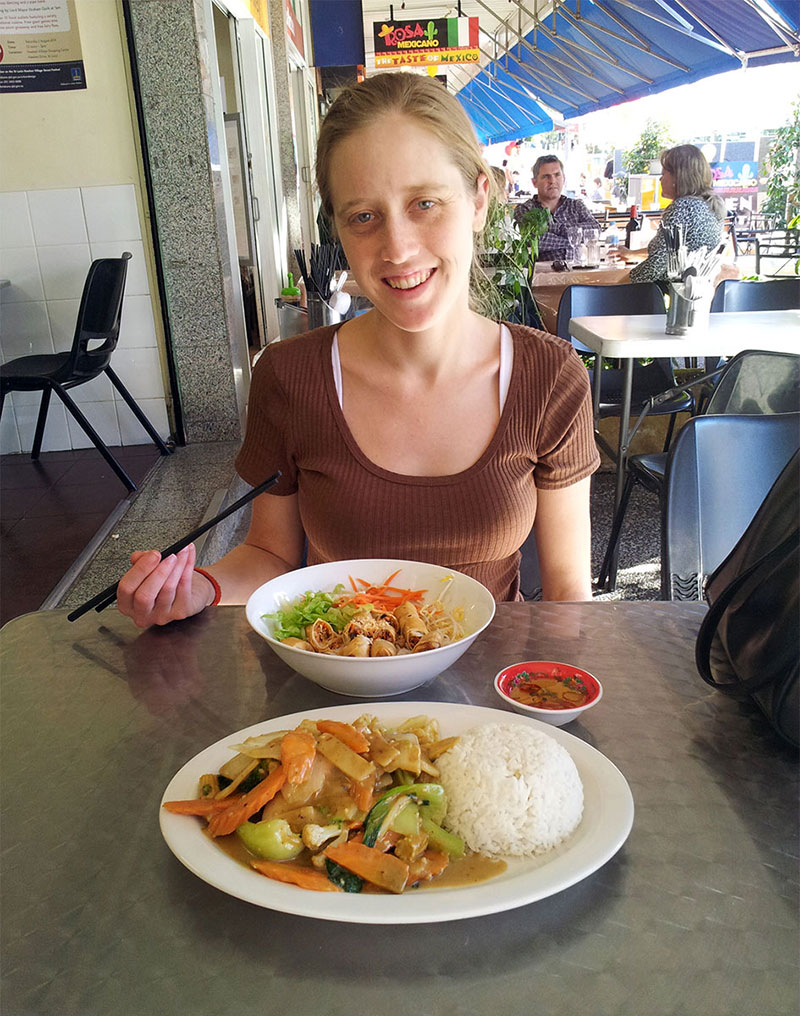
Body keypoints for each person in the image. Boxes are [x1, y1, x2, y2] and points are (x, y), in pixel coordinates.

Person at [116, 74, 599, 628]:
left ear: (478, 199)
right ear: (338, 230)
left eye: (424, 203)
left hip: (487, 695)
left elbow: (567, 596)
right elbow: (271, 556)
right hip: (333, 694)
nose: (397, 248)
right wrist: (198, 587)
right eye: (363, 216)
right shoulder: (289, 376)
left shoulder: (550, 376)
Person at [626, 145, 725, 283]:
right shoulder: (711, 204)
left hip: (672, 295)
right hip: (698, 294)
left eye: (664, 174)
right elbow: (671, 250)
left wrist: (617, 284)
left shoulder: (682, 208)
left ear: (678, 177)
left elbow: (656, 266)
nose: (660, 180)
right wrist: (631, 255)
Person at [513, 155, 598, 261]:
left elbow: (595, 229)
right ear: (534, 182)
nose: (552, 181)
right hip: (543, 275)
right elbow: (537, 241)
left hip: (578, 272)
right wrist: (574, 242)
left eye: (557, 175)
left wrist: (556, 228)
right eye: (546, 176)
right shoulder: (525, 209)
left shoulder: (576, 206)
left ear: (564, 179)